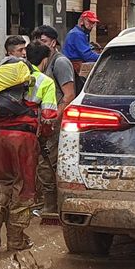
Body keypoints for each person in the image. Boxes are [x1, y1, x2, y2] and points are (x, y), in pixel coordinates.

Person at [0, 36, 57, 250]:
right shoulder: (45, 82)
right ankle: (16, 239)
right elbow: (48, 116)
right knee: (24, 187)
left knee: (1, 181)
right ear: (44, 61)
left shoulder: (1, 77)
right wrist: (43, 137)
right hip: (24, 139)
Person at [30, 25, 76, 215]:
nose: (41, 45)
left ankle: (53, 207)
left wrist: (52, 120)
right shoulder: (42, 62)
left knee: (48, 163)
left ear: (53, 43)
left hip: (55, 122)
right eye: (38, 42)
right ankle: (49, 203)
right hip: (43, 121)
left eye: (44, 42)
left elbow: (69, 95)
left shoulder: (60, 63)